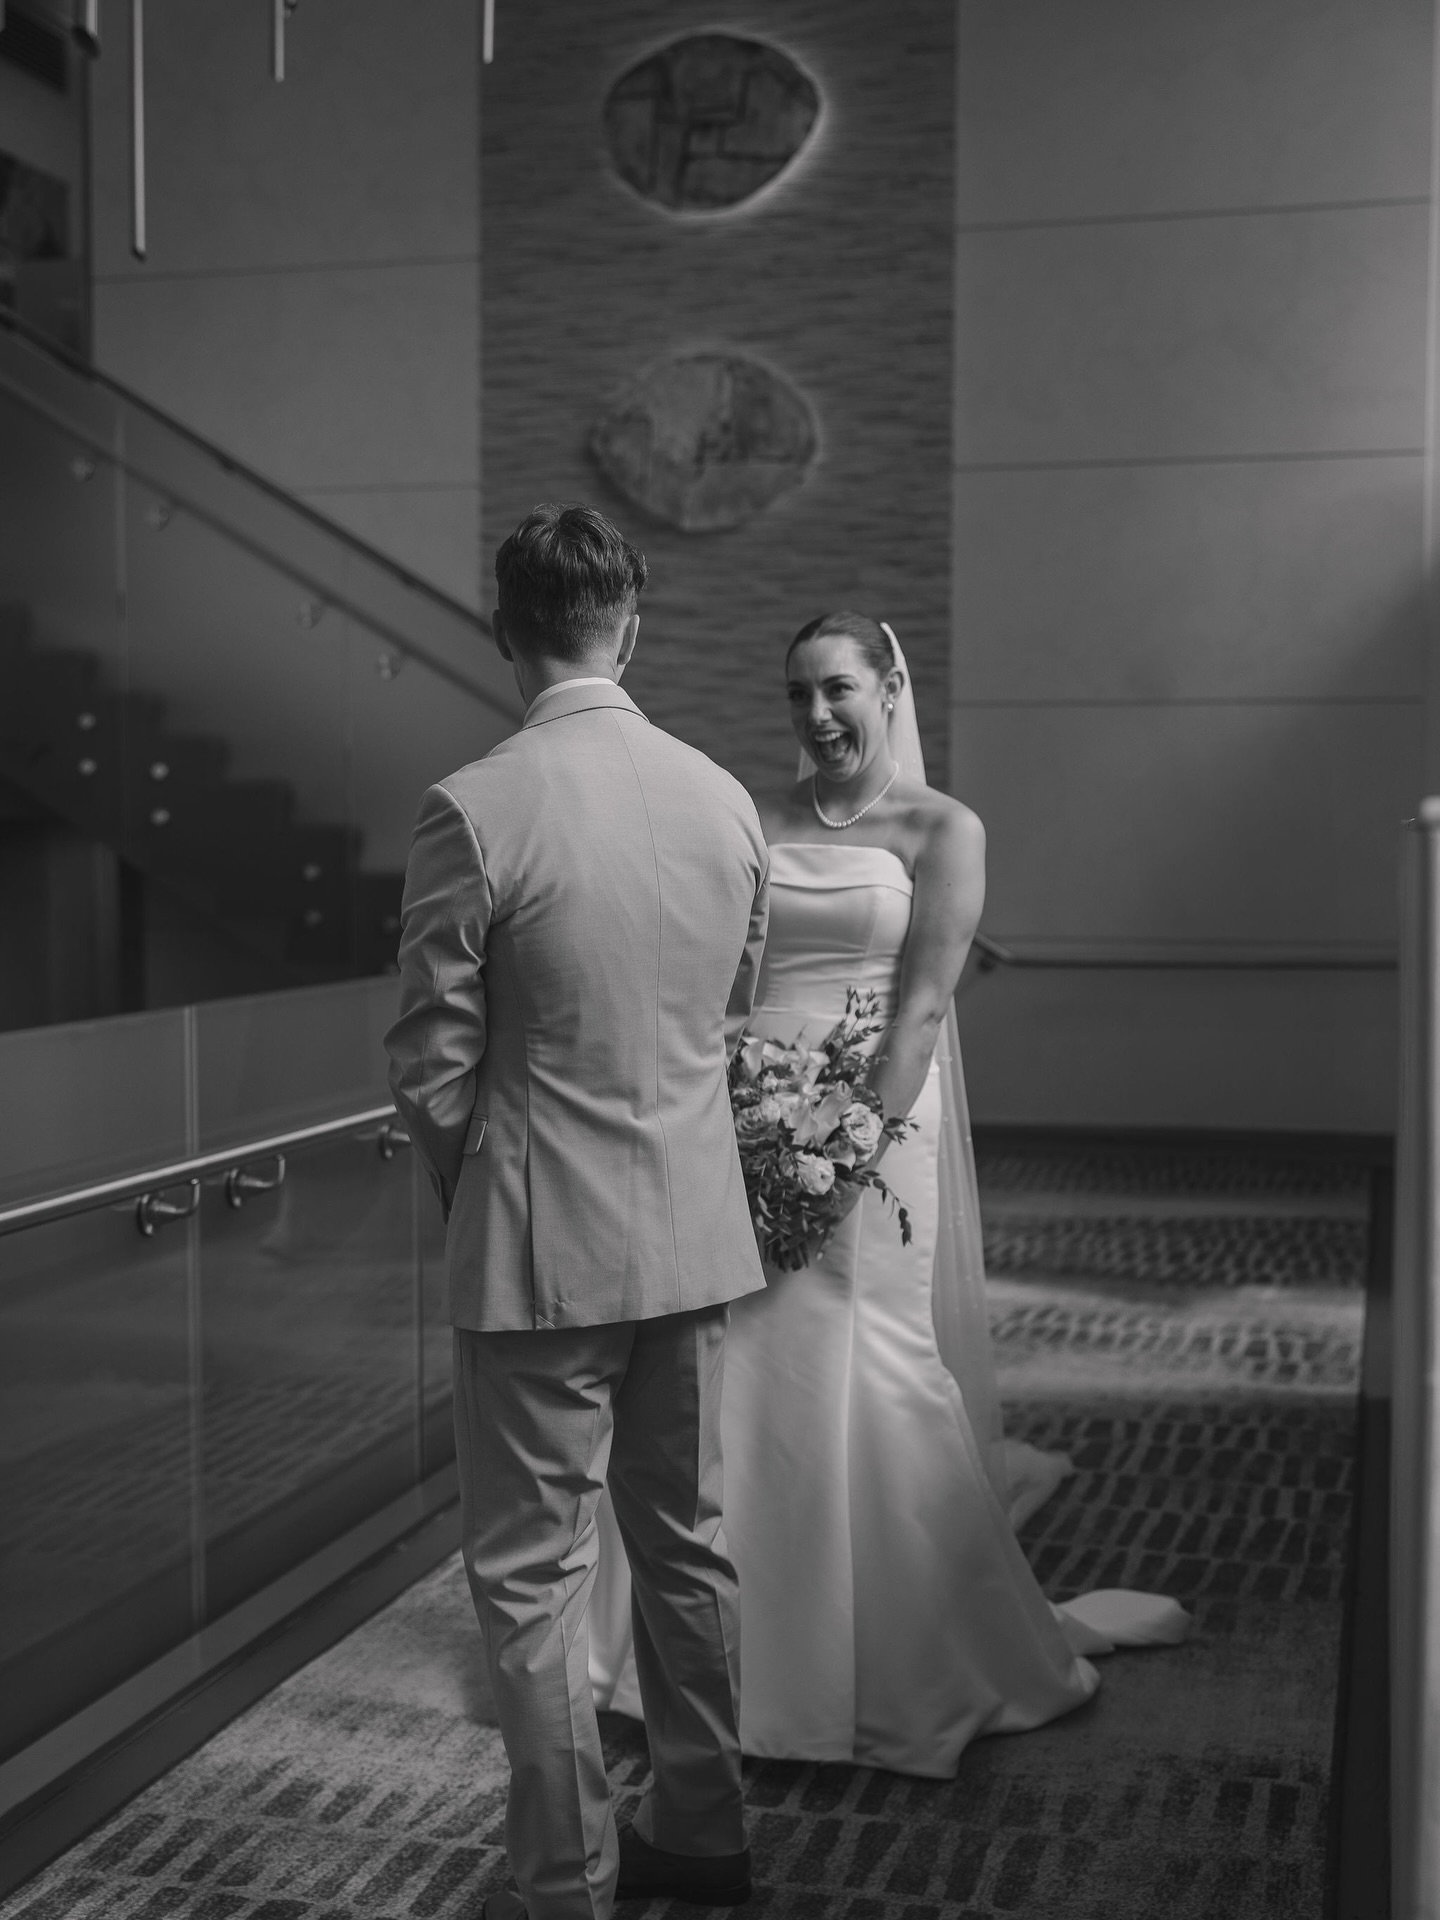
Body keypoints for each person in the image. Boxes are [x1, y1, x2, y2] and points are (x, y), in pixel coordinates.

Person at [589, 610, 1186, 1777]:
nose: (817, 715)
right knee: (732, 1369)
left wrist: (849, 1142)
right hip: (750, 1112)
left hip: (874, 1121)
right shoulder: (756, 815)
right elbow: (717, 974)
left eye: (839, 690)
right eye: (799, 694)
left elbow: (919, 1004)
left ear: (890, 687)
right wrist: (736, 1108)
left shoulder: (944, 829)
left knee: (866, 1357)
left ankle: (896, 1661)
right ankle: (713, 1659)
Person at [385, 504, 771, 1920]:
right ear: (633, 620)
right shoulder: (723, 795)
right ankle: (707, 1827)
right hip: (690, 1234)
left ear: (507, 631)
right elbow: (727, 1018)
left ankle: (561, 1881)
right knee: (685, 1545)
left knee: (533, 1584)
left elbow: (430, 1060)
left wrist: (486, 1189)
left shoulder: (476, 805)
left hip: (540, 1252)